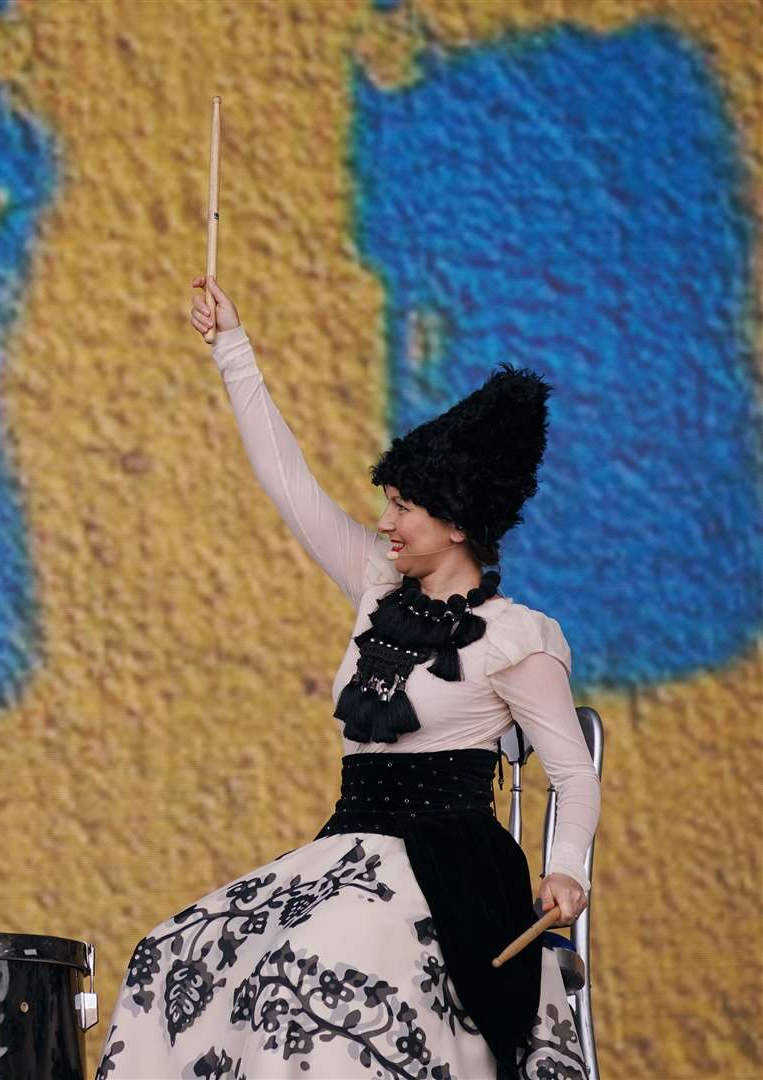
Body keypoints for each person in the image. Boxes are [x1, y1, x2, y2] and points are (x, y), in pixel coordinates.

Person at [96, 279, 601, 1080]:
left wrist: (565, 869)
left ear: (458, 523)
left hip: (449, 864)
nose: (385, 521)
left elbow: (572, 774)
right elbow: (287, 483)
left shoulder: (519, 636)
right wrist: (233, 348)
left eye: (405, 508)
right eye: (388, 501)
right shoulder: (374, 584)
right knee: (173, 951)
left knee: (317, 958)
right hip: (350, 848)